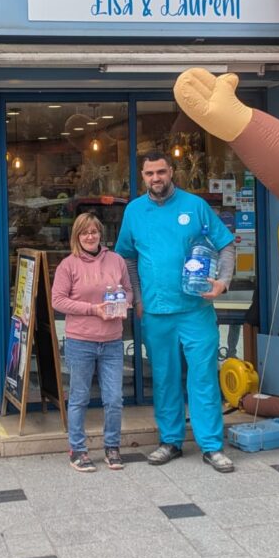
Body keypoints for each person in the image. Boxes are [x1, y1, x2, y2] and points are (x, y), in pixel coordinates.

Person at [115, 150, 236, 473]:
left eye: (161, 172)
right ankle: (170, 441)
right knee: (166, 379)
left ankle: (211, 446)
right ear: (142, 177)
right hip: (155, 311)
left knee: (203, 377)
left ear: (172, 172)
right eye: (150, 174)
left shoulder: (194, 206)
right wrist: (138, 299)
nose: (156, 178)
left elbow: (225, 244)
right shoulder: (134, 211)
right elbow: (126, 258)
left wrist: (222, 281)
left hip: (196, 309)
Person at [52, 212, 133, 472]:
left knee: (114, 399)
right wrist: (92, 309)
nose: (90, 236)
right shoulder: (68, 265)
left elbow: (128, 290)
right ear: (77, 236)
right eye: (84, 232)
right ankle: (78, 449)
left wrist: (126, 303)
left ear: (101, 233)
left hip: (111, 341)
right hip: (80, 340)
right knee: (79, 398)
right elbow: (58, 301)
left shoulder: (116, 260)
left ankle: (112, 446)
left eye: (94, 231)